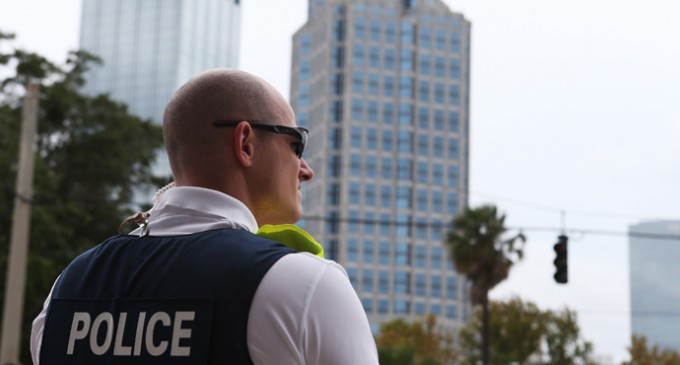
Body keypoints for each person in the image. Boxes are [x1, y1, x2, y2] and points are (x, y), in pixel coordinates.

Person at [30, 69, 379, 364]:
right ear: (245, 144)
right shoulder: (305, 287)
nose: (306, 170)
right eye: (296, 145)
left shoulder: (69, 287)